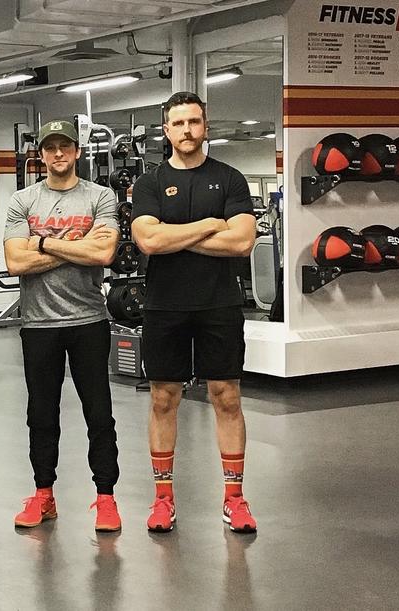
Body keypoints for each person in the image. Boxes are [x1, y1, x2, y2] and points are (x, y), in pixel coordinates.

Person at [131, 91, 258, 534]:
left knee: (227, 395)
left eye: (194, 122)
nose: (187, 130)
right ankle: (163, 499)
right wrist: (208, 225)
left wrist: (173, 235)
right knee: (164, 398)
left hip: (219, 302)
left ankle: (235, 499)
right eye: (178, 123)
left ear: (206, 127)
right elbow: (148, 242)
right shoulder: (149, 184)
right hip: (165, 304)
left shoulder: (230, 178)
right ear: (166, 131)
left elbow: (242, 242)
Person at [3, 119, 123, 532]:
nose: (58, 154)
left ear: (76, 151)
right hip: (38, 324)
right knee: (41, 413)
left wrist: (42, 242)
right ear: (42, 153)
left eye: (65, 147)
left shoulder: (100, 197)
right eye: (50, 147)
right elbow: (16, 262)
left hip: (89, 320)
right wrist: (78, 247)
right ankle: (43, 494)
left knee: (99, 412)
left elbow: (105, 252)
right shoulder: (22, 201)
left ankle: (105, 497)